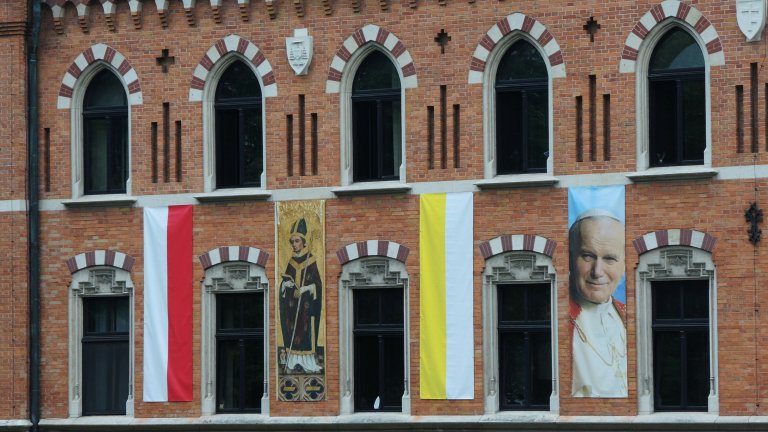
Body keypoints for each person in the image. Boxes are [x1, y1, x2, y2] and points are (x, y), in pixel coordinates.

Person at [569, 209, 627, 397]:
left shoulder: (628, 315)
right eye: (587, 256)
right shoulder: (556, 315)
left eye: (610, 258)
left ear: (624, 265)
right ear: (570, 258)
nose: (597, 271)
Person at [279, 218, 323, 374]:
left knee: (305, 332)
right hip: (292, 306)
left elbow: (317, 285)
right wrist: (284, 286)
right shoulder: (291, 261)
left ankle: (308, 363)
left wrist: (305, 288)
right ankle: (292, 361)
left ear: (303, 242)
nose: (294, 244)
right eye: (292, 241)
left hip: (306, 306)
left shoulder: (311, 260)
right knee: (292, 329)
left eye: (296, 241)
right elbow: (285, 281)